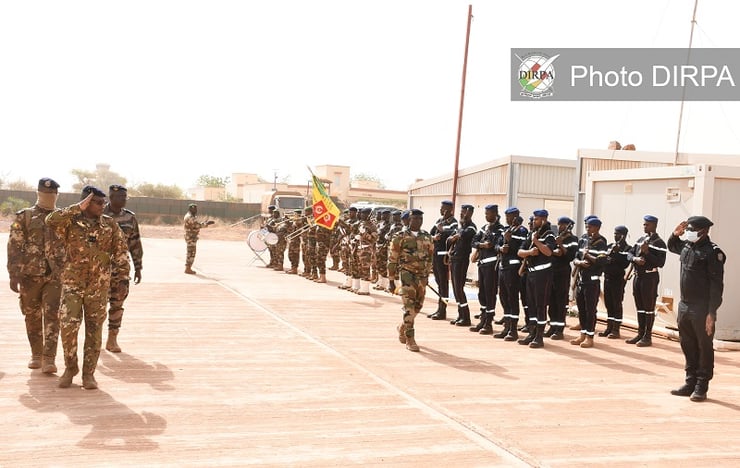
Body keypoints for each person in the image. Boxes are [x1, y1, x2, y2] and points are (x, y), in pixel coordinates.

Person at [46, 186, 130, 389]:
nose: (104, 206)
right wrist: (76, 208)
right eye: (98, 202)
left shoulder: (109, 225)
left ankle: (88, 373)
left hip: (99, 287)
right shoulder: (69, 222)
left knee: (94, 330)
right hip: (73, 285)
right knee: (68, 327)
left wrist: (122, 280)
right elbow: (50, 220)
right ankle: (70, 367)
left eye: (104, 202)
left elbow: (121, 253)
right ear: (86, 202)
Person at [6, 177, 65, 373]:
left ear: (57, 195)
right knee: (31, 315)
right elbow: (14, 245)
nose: (48, 197)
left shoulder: (62, 218)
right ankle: (36, 354)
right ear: (38, 194)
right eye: (44, 193)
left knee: (53, 316)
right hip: (30, 277)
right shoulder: (25, 216)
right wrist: (14, 274)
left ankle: (49, 358)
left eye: (51, 194)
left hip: (56, 277)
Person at [668, 216, 725, 402]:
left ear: (704, 231)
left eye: (692, 230)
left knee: (704, 346)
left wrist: (712, 312)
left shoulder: (712, 252)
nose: (689, 232)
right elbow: (671, 246)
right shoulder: (687, 246)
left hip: (701, 308)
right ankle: (690, 382)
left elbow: (717, 286)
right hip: (684, 305)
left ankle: (702, 386)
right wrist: (675, 235)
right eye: (688, 229)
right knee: (687, 344)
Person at [102, 184, 143, 353]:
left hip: (122, 269)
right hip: (100, 269)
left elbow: (135, 242)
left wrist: (138, 266)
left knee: (117, 303)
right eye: (120, 197)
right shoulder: (99, 214)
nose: (123, 200)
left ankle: (112, 339)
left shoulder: (130, 218)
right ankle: (94, 338)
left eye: (125, 197)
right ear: (111, 198)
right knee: (97, 306)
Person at [388, 209, 434, 352]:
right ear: (409, 220)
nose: (417, 221)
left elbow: (430, 257)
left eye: (420, 219)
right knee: (409, 307)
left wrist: (428, 274)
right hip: (407, 275)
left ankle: (402, 326)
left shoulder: (427, 236)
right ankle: (410, 338)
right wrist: (391, 280)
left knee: (417, 307)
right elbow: (393, 258)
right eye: (415, 219)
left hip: (422, 277)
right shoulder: (400, 236)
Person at [517, 209, 556, 348]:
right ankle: (532, 333)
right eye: (533, 219)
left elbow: (548, 251)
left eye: (537, 219)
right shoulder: (531, 234)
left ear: (544, 220)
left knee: (540, 305)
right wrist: (530, 251)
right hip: (531, 274)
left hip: (543, 274)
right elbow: (520, 252)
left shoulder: (549, 234)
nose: (534, 221)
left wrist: (536, 242)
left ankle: (539, 336)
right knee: (531, 304)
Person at [625, 215, 667, 347]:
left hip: (650, 277)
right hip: (638, 276)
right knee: (640, 307)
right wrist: (635, 259)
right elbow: (629, 254)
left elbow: (661, 263)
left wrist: (647, 253)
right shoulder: (640, 240)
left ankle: (647, 337)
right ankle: (640, 333)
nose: (644, 226)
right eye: (644, 224)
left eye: (647, 224)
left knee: (648, 308)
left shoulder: (659, 243)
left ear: (654, 225)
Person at [570, 217, 608, 348]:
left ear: (597, 228)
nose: (587, 229)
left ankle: (589, 337)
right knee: (581, 309)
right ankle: (582, 333)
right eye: (586, 226)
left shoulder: (601, 242)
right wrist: (579, 262)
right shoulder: (583, 240)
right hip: (581, 280)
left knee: (590, 310)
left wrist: (588, 256)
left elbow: (602, 261)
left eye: (590, 226)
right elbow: (575, 257)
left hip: (592, 281)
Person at [469, 204, 504, 335]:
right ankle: (483, 320)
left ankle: (488, 323)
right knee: (481, 293)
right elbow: (473, 242)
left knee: (490, 294)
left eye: (488, 213)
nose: (486, 216)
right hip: (482, 265)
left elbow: (496, 245)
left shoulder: (500, 229)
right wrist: (482, 245)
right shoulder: (484, 228)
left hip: (492, 266)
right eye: (485, 213)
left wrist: (486, 245)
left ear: (495, 213)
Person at [494, 207, 527, 341]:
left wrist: (511, 240)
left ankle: (513, 330)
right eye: (506, 216)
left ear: (516, 216)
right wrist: (500, 248)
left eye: (509, 216)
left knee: (512, 298)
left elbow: (522, 248)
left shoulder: (522, 231)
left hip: (513, 269)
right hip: (503, 267)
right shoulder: (506, 230)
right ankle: (506, 327)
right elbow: (497, 245)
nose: (507, 219)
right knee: (503, 297)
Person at [545, 216, 578, 340]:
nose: (560, 227)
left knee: (560, 301)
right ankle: (552, 327)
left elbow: (570, 256)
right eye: (559, 224)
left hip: (562, 272)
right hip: (552, 271)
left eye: (563, 225)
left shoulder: (572, 239)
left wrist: (560, 246)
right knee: (552, 300)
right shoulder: (555, 237)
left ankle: (559, 329)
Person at [447, 204, 477, 326]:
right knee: (455, 289)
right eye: (461, 212)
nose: (461, 214)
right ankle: (461, 315)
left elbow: (462, 235)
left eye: (464, 212)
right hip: (455, 259)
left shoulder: (471, 228)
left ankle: (466, 317)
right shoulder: (461, 227)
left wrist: (456, 236)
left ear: (469, 214)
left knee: (459, 288)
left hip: (462, 260)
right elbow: (450, 239)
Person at [428, 200, 458, 320]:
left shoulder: (453, 223)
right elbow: (430, 234)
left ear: (449, 210)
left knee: (443, 284)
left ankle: (443, 310)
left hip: (443, 257)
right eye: (441, 208)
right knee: (439, 282)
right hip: (435, 255)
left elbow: (453, 236)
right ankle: (439, 308)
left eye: (443, 209)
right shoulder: (439, 221)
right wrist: (434, 236)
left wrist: (443, 231)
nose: (441, 211)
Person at [600, 225, 631, 339]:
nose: (615, 236)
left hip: (617, 280)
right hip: (607, 278)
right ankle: (609, 327)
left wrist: (616, 255)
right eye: (614, 233)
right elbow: (603, 259)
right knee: (608, 303)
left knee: (616, 303)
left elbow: (625, 263)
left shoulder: (627, 248)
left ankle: (616, 329)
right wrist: (610, 258)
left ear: (623, 235)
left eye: (618, 234)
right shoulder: (609, 246)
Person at [183, 203, 215, 274]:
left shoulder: (190, 216)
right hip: (190, 237)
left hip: (191, 236)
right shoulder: (190, 217)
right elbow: (197, 225)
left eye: (195, 209)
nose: (195, 210)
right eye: (193, 209)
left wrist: (204, 223)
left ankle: (188, 268)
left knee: (191, 252)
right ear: (190, 209)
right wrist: (207, 223)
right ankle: (188, 269)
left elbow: (196, 224)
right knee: (191, 253)